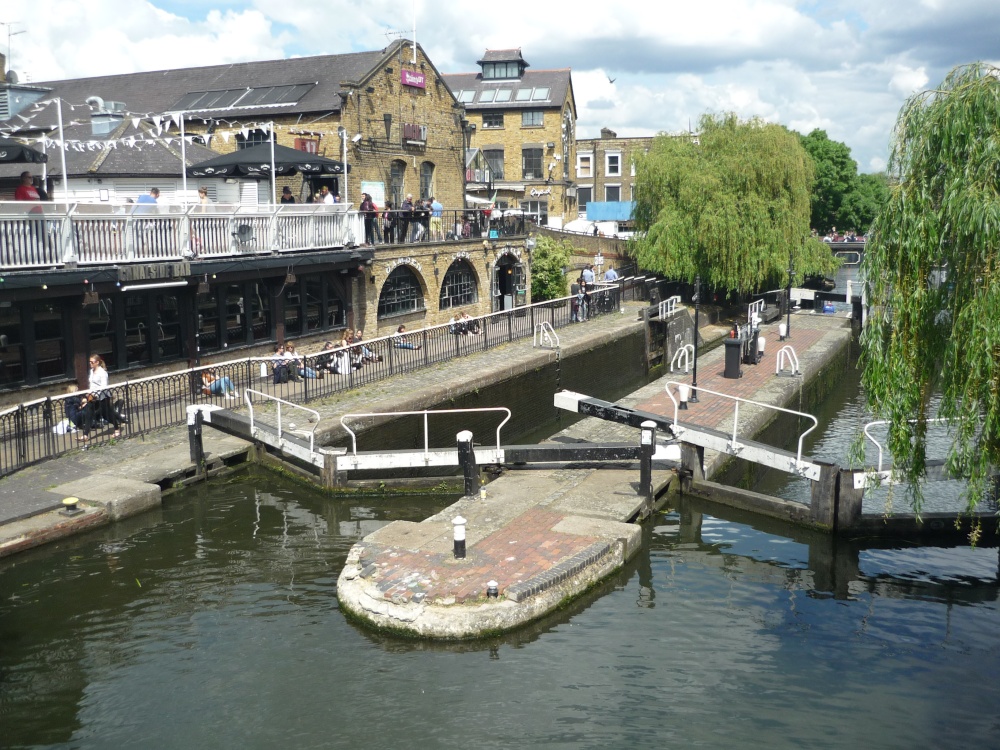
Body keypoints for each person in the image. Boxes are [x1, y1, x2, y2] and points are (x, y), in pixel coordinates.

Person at [88, 354, 122, 438]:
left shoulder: (103, 373)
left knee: (107, 414)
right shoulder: (91, 371)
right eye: (89, 362)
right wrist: (89, 393)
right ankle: (85, 435)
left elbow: (104, 386)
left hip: (103, 396)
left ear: (97, 362)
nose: (90, 364)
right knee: (89, 413)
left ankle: (117, 428)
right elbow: (91, 384)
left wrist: (95, 395)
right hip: (93, 396)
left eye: (92, 362)